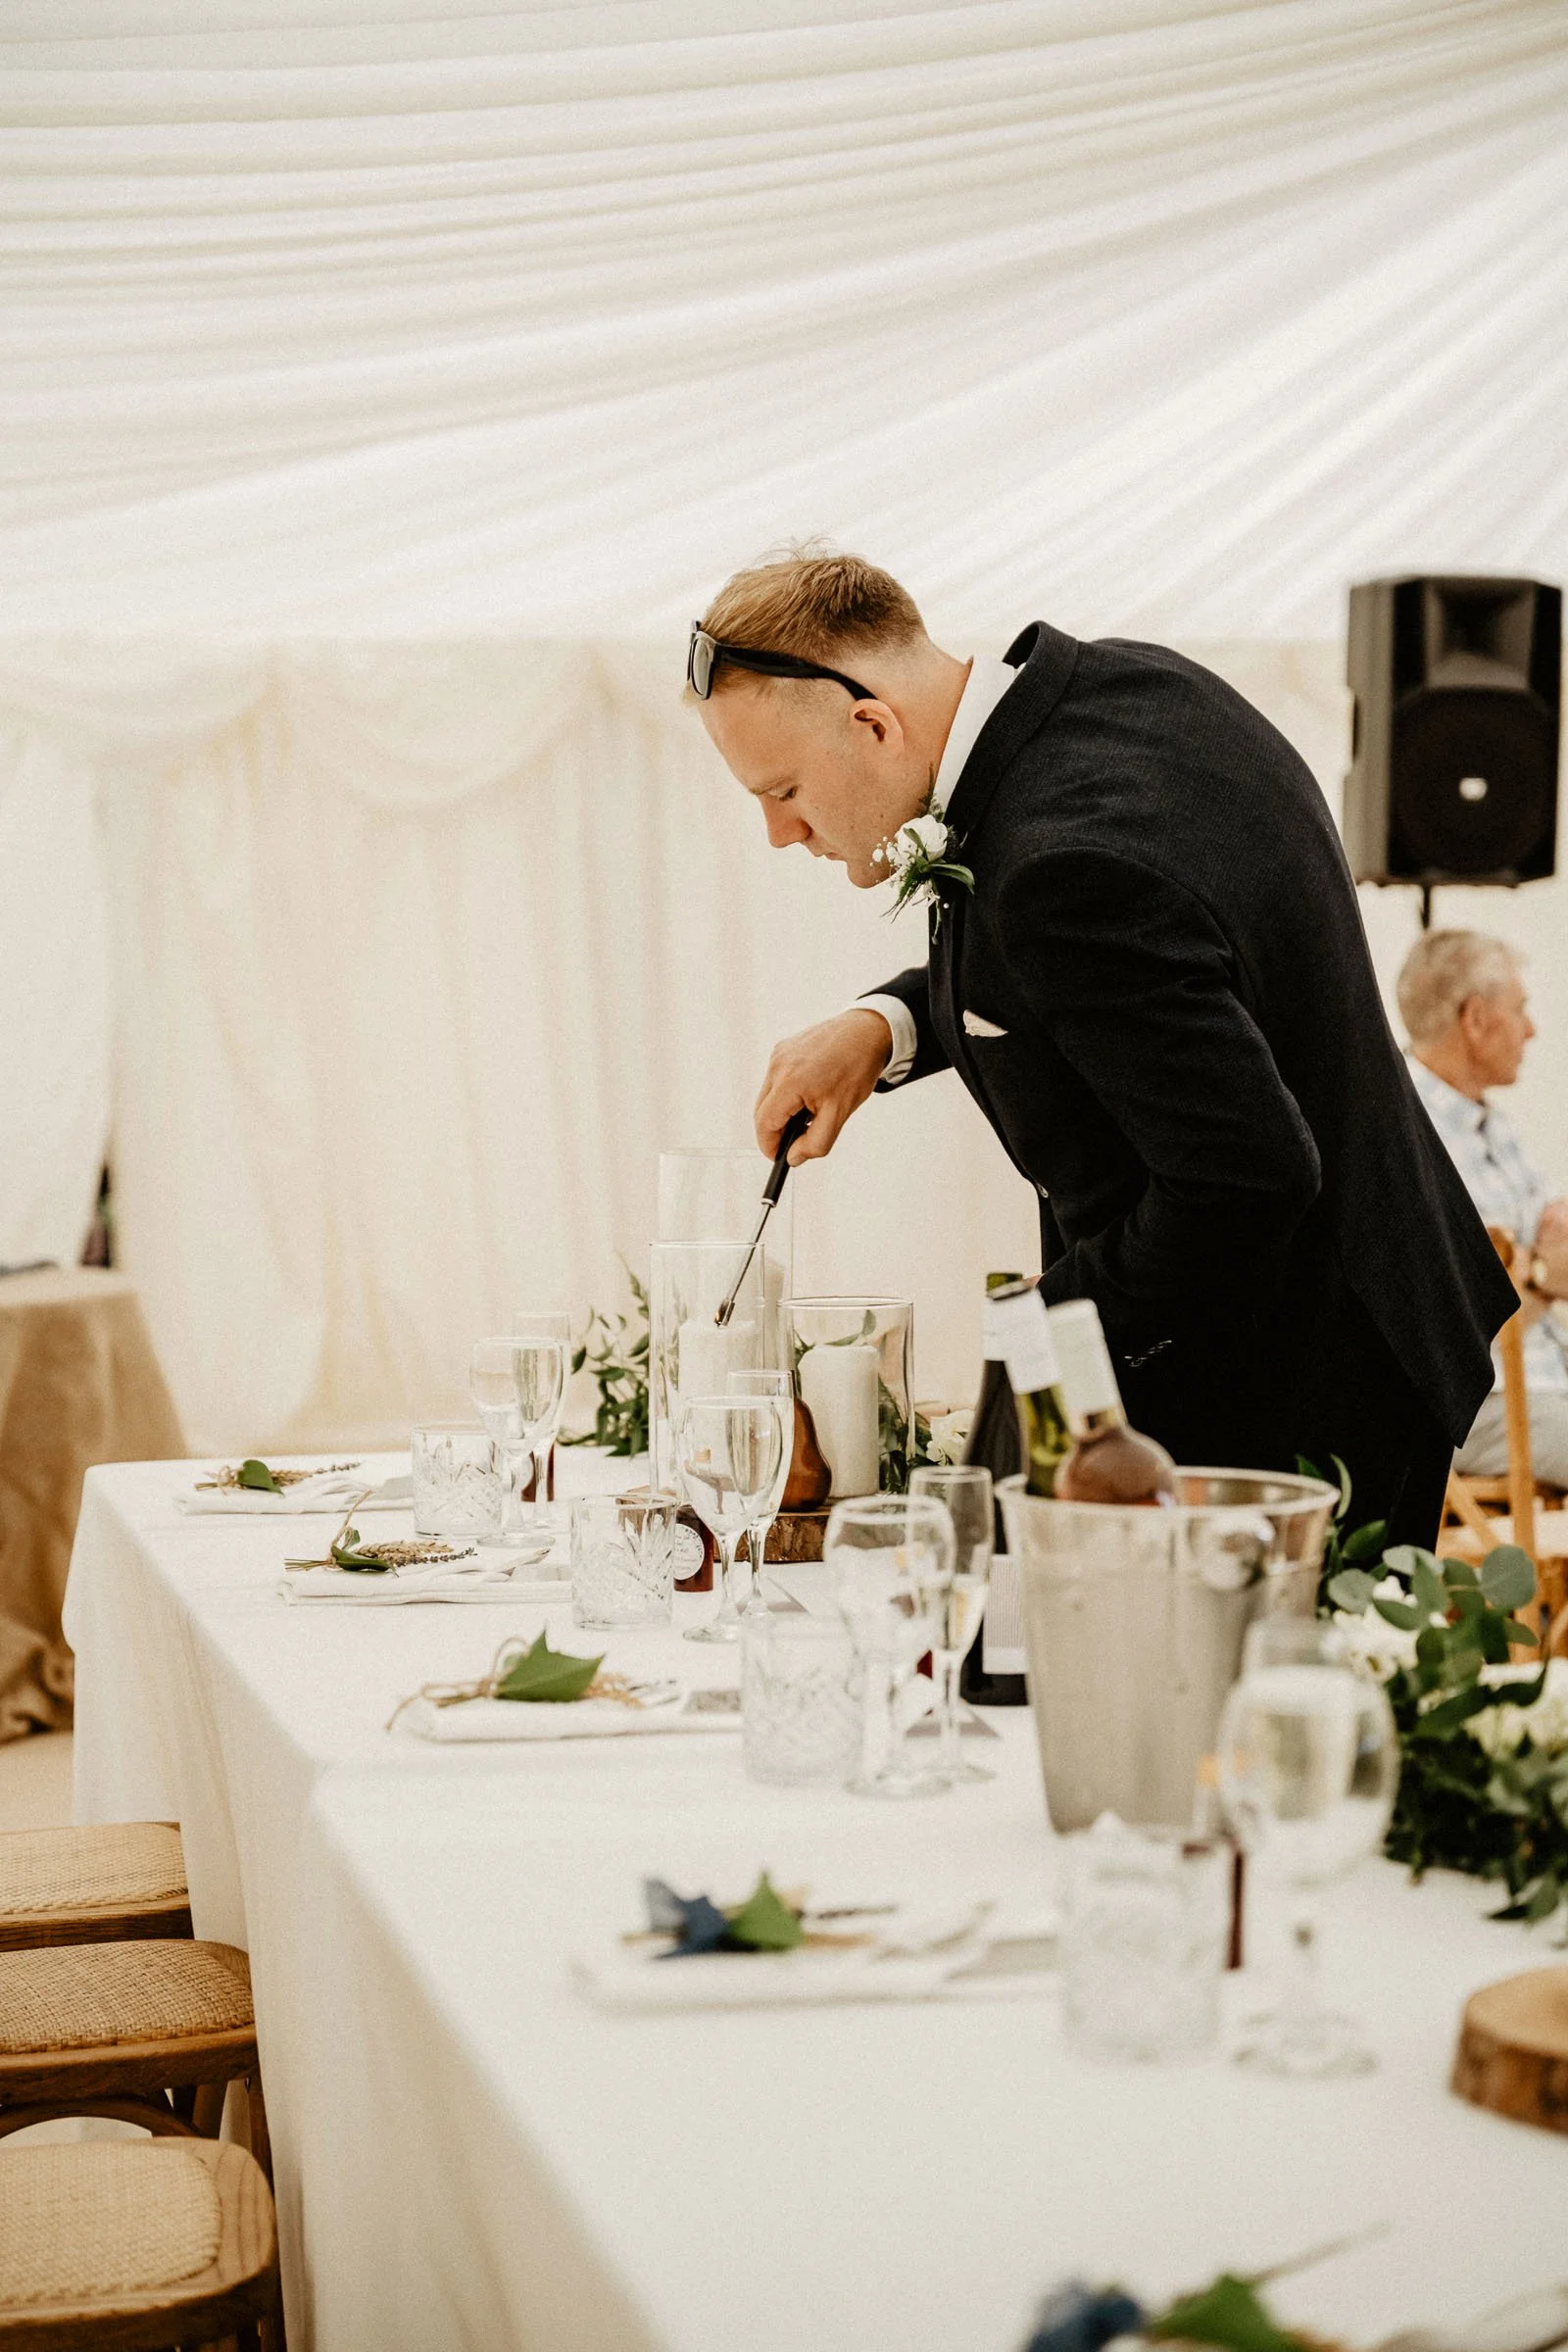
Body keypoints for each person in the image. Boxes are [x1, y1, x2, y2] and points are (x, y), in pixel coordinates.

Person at [688, 550, 1515, 1546]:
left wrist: (1042, 1327)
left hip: (1290, 1387)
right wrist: (886, 1026)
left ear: (872, 724)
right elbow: (1146, 969)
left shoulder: (1061, 863)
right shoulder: (1124, 688)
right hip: (1384, 1296)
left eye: (780, 790)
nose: (782, 832)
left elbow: (1244, 1178)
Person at [1397, 929, 1568, 1488]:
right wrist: (1542, 1276)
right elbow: (1446, 1319)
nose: (1533, 1029)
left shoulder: (1491, 1125)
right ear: (1475, 1019)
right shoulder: (1408, 1134)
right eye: (1521, 1010)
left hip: (1547, 1384)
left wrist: (1535, 1269)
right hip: (1485, 1403)